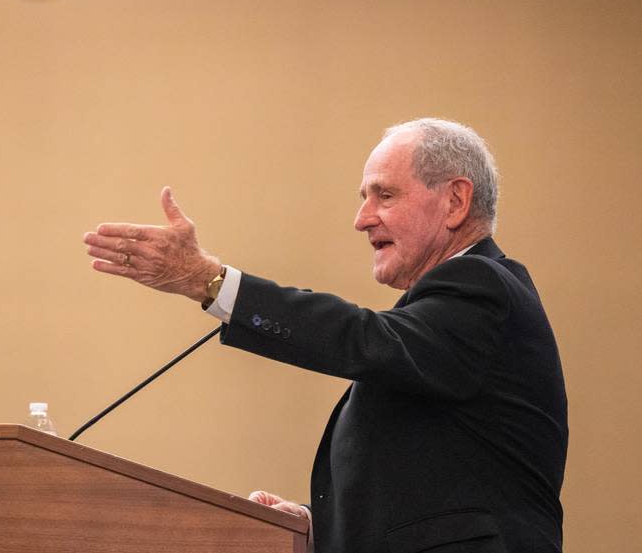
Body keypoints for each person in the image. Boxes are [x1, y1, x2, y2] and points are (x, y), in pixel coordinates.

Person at [83, 118, 568, 553]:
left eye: (385, 194)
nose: (362, 218)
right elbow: (435, 485)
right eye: (364, 198)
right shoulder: (442, 324)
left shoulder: (482, 286)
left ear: (455, 201)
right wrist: (323, 531)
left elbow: (360, 338)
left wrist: (211, 282)